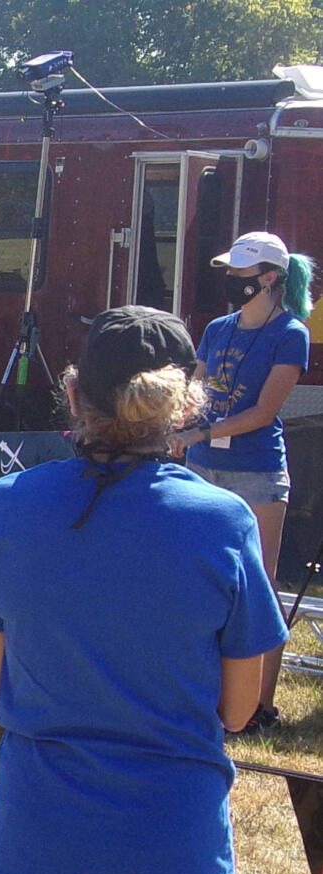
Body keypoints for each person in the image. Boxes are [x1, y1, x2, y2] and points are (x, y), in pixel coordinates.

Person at [0, 305, 286, 874]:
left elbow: (6, 679)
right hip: (172, 861)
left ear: (74, 394)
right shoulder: (224, 522)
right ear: (185, 406)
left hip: (33, 854)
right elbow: (239, 711)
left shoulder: (8, 504)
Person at [168, 231, 314, 734]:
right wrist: (179, 424)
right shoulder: (217, 327)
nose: (230, 282)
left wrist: (202, 430)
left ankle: (260, 708)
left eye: (240, 275)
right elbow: (198, 389)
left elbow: (265, 410)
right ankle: (205, 692)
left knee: (259, 584)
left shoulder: (290, 333)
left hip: (256, 471)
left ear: (269, 278)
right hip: (203, 463)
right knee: (197, 576)